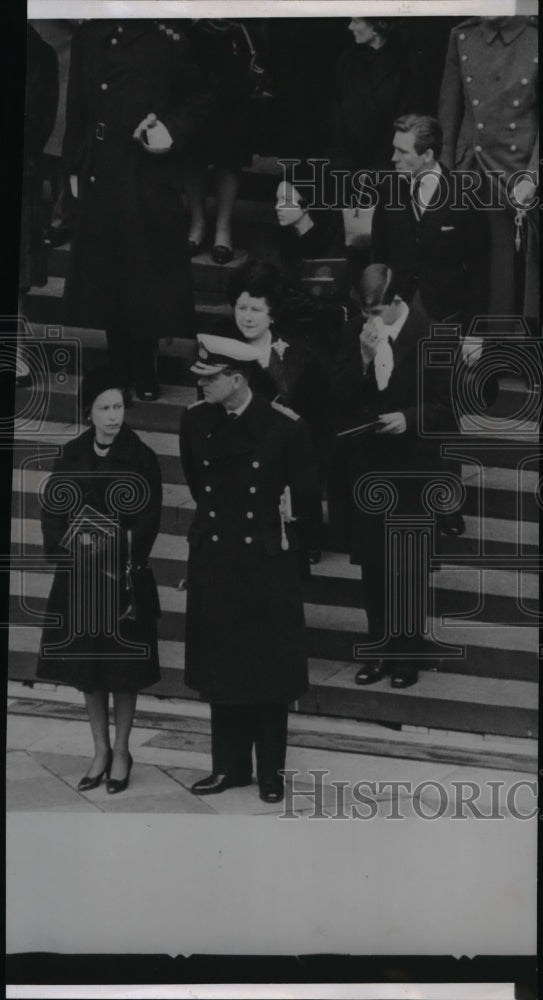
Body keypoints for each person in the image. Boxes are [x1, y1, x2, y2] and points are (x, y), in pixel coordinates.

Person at [179, 334, 318, 802]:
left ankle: (270, 772)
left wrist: (288, 553)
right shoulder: (195, 423)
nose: (201, 386)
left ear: (237, 380)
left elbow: (305, 505)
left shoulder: (284, 428)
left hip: (265, 563)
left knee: (268, 670)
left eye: (210, 378)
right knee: (222, 663)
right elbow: (201, 488)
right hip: (218, 558)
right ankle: (228, 767)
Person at [61, 20, 213, 401]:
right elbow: (78, 104)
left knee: (144, 270)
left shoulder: (168, 34)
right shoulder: (89, 33)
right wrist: (74, 165)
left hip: (145, 169)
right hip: (101, 168)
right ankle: (118, 365)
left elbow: (199, 98)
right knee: (108, 270)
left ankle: (145, 365)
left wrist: (170, 130)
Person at [37, 367, 162, 793]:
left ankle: (124, 750)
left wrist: (116, 546)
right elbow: (54, 508)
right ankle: (100, 749)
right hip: (81, 579)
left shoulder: (141, 455)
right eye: (105, 408)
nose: (114, 416)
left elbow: (149, 516)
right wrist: (66, 548)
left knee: (123, 671)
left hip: (122, 578)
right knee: (89, 671)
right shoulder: (72, 452)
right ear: (89, 413)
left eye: (119, 407)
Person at [330, 264, 450, 690]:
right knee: (375, 568)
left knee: (408, 569)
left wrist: (409, 418)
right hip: (369, 468)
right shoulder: (354, 335)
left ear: (398, 302)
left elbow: (448, 410)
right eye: (365, 313)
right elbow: (338, 397)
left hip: (414, 470)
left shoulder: (431, 336)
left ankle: (407, 655)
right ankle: (378, 648)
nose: (371, 321)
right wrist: (362, 358)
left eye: (378, 311)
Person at [371, 113, 491, 536]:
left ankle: (446, 505)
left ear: (427, 154)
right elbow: (379, 259)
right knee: (404, 406)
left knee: (441, 414)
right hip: (399, 319)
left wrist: (476, 332)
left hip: (446, 319)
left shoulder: (465, 193)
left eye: (402, 151)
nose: (394, 157)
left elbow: (480, 270)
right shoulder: (389, 190)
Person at [224, 259, 329, 561]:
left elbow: (317, 417)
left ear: (272, 314)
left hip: (288, 463)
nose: (246, 317)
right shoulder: (220, 349)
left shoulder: (299, 356)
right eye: (241, 308)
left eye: (255, 310)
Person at [438, 15, 539, 327]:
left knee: (525, 271)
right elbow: (449, 109)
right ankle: (485, 346)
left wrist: (533, 175)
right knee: (480, 262)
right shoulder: (463, 35)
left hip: (522, 167)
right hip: (474, 167)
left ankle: (522, 349)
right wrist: (444, 171)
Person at [181, 19, 254, 264]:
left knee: (229, 149)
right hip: (192, 43)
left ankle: (224, 229)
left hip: (232, 50)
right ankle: (197, 222)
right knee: (192, 148)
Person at [330, 18, 423, 177]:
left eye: (356, 21)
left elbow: (410, 116)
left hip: (389, 163)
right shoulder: (347, 61)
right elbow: (337, 112)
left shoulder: (407, 62)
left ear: (377, 24)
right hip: (348, 163)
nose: (350, 27)